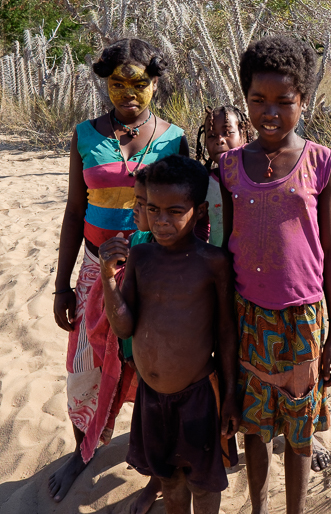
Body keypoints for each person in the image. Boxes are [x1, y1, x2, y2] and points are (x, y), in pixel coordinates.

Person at [49, 38, 188, 503]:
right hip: (93, 272)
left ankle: (154, 475)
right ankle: (82, 452)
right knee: (84, 367)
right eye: (117, 83)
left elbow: (186, 211)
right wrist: (61, 286)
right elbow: (74, 211)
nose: (129, 93)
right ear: (104, 83)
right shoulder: (85, 135)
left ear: (155, 85)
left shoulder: (173, 138)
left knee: (151, 373)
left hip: (152, 272)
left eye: (140, 84)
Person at [218, 35, 331, 514]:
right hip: (249, 316)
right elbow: (225, 252)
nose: (269, 112)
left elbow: (330, 250)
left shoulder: (321, 162)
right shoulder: (230, 166)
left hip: (303, 317)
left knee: (298, 428)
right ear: (245, 97)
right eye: (258, 100)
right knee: (255, 426)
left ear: (304, 101)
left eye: (283, 102)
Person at [99, 155, 239, 514]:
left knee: (204, 485)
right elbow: (125, 327)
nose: (162, 221)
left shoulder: (212, 262)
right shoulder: (141, 258)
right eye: (154, 209)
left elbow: (225, 332)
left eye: (175, 211)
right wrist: (107, 279)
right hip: (151, 397)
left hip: (198, 397)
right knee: (170, 480)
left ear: (200, 211)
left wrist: (231, 395)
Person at [196, 105, 253, 248]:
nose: (220, 140)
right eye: (212, 135)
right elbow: (201, 226)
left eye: (227, 132)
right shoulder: (204, 182)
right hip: (220, 263)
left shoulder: (258, 178)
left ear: (244, 135)